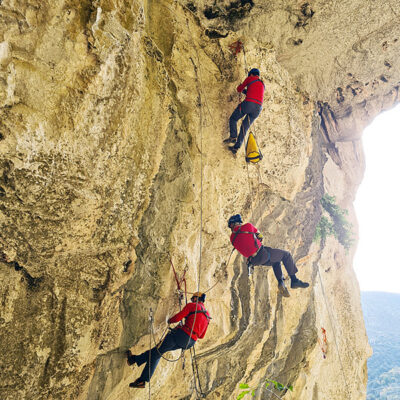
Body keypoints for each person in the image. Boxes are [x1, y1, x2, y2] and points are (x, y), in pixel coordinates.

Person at [126, 292, 211, 389]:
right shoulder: (207, 315)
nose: (192, 301)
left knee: (157, 352)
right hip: (190, 342)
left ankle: (142, 379)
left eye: (193, 299)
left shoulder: (192, 306)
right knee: (158, 351)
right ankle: (133, 360)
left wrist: (170, 320)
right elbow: (202, 336)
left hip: (181, 335)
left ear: (196, 298)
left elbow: (178, 317)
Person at [228, 214, 309, 297]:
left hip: (253, 261)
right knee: (286, 255)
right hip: (262, 253)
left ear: (231, 226)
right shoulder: (248, 226)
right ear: (238, 222)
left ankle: (281, 282)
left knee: (275, 262)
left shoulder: (232, 238)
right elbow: (260, 236)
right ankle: (294, 280)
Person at [224, 68, 265, 155]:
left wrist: (240, 87)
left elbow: (239, 89)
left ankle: (233, 136)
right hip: (258, 109)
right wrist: (245, 91)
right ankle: (236, 147)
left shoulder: (250, 78)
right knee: (244, 128)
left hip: (248, 104)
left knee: (234, 118)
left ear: (251, 74)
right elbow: (254, 93)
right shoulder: (262, 84)